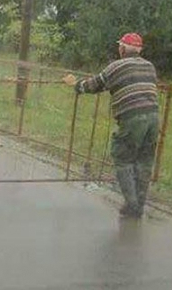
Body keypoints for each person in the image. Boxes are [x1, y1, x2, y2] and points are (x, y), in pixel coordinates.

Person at [63, 33, 160, 218]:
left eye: (120, 46)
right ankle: (138, 206)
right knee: (144, 161)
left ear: (123, 49)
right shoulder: (149, 66)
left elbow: (94, 85)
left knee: (122, 158)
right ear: (139, 50)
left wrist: (76, 85)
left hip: (133, 118)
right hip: (153, 117)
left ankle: (131, 204)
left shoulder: (116, 67)